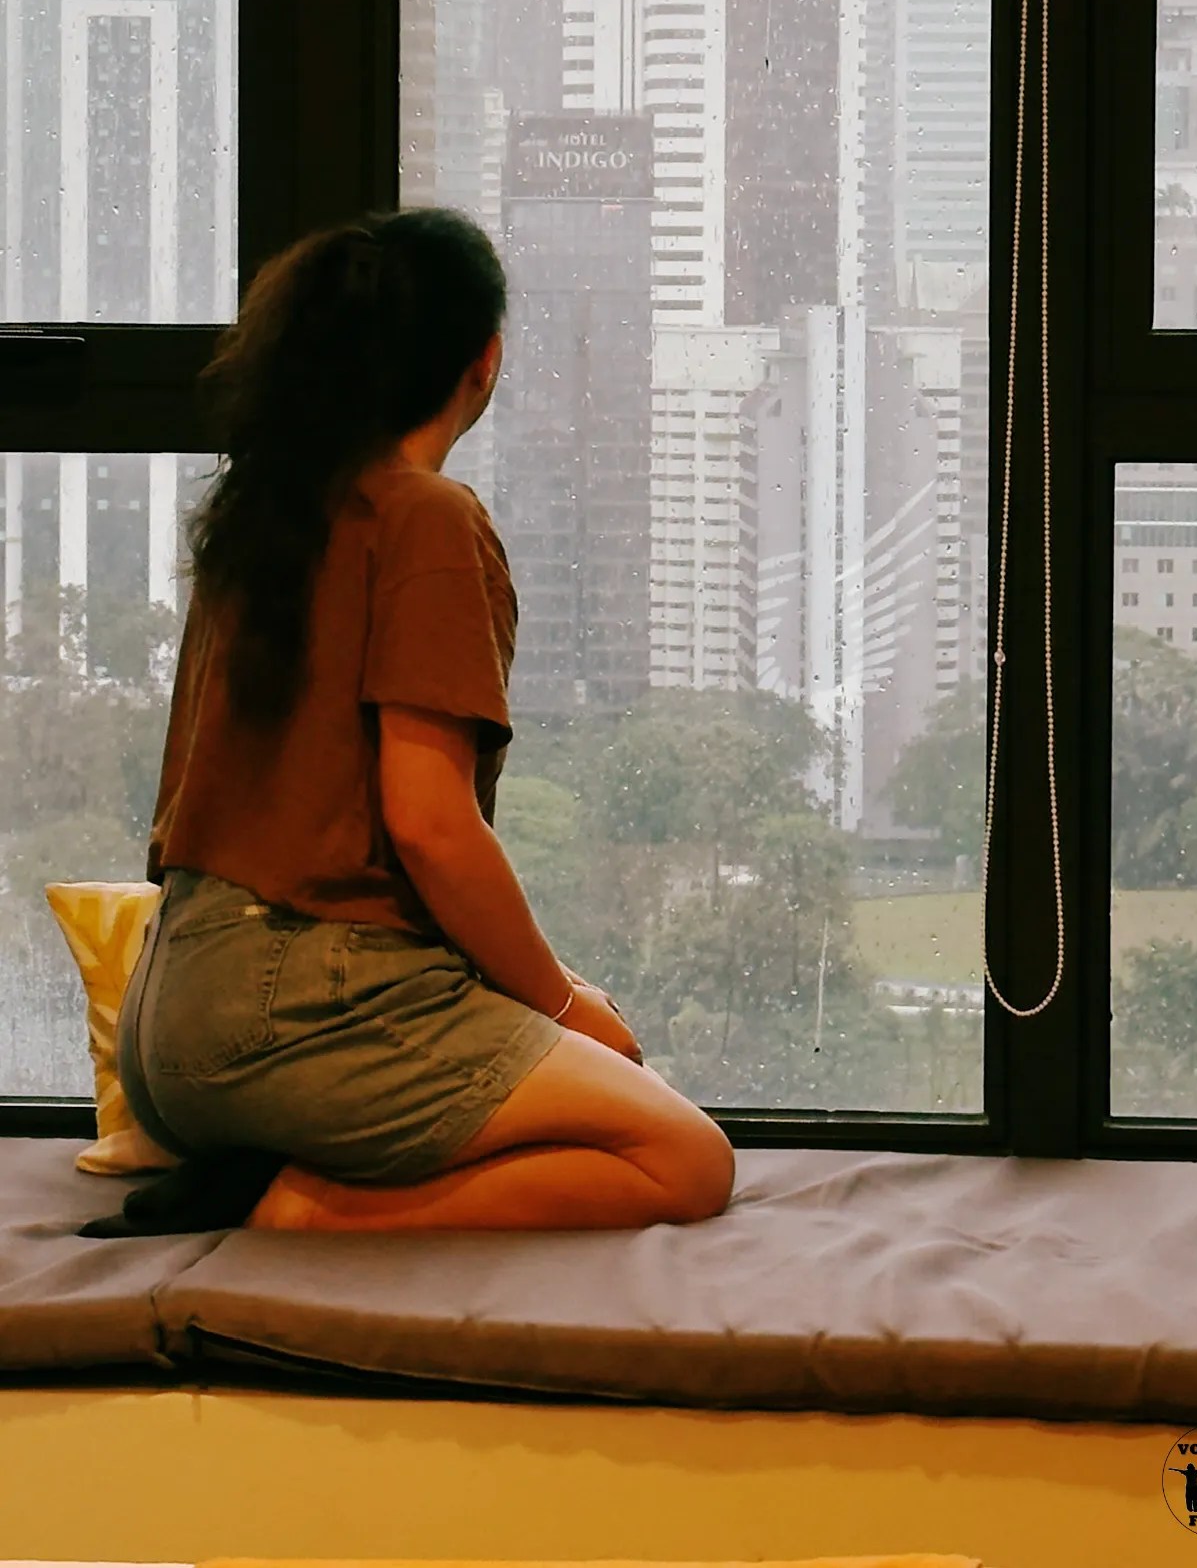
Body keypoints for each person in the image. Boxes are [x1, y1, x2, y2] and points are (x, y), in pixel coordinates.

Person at [114, 208, 735, 1235]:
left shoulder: (267, 518)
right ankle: (303, 1214)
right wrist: (566, 1007)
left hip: (169, 1023)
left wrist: (555, 993)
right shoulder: (425, 517)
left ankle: (272, 1179)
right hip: (300, 1009)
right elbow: (431, 825)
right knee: (682, 1160)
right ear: (481, 362)